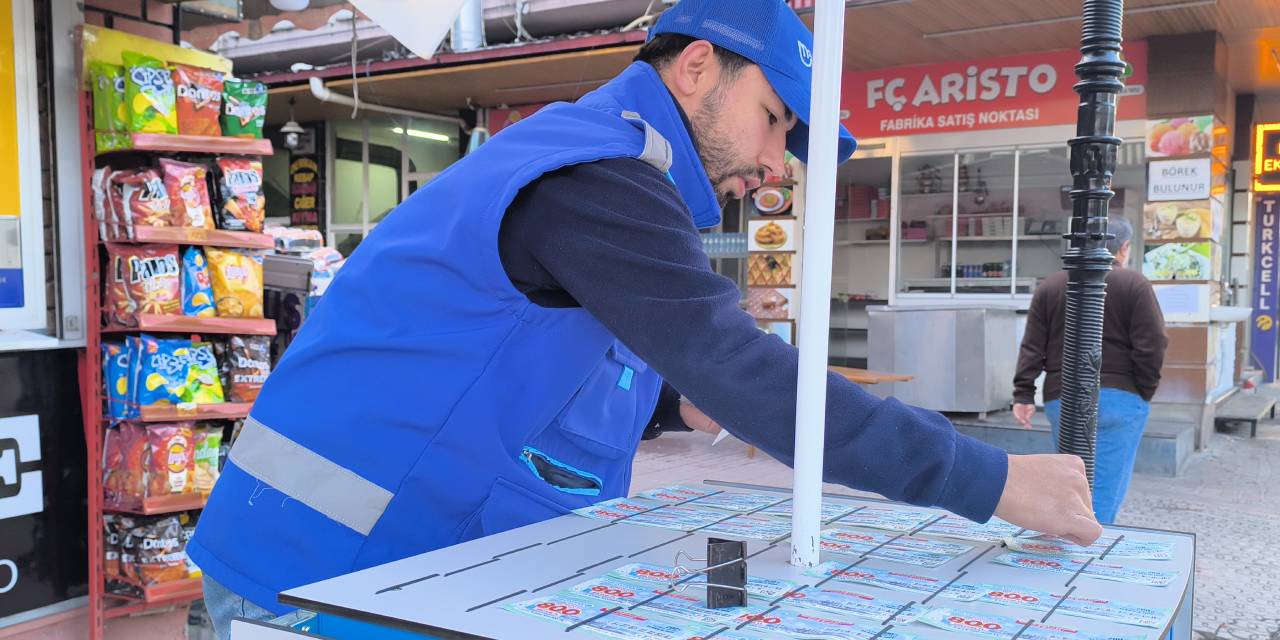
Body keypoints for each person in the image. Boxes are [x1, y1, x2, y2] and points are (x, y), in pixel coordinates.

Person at [190, 1, 1101, 636]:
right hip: (327, 578)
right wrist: (989, 479)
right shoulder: (599, 173)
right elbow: (739, 368)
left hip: (370, 564)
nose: (777, 164)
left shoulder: (601, 165)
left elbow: (534, 344)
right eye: (774, 120)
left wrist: (671, 403)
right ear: (696, 67)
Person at [1012, 216, 1168, 524]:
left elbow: (1032, 346)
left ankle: (1068, 542)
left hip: (1061, 397)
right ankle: (1089, 547)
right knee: (1104, 494)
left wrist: (1023, 394)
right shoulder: (1134, 283)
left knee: (1072, 484)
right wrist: (1143, 390)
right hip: (1122, 397)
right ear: (1124, 248)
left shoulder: (1051, 286)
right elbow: (1152, 343)